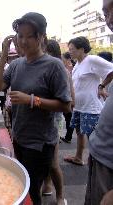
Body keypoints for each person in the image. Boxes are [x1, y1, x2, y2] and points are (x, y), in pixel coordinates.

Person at [0, 12, 71, 205]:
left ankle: (57, 196)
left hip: (40, 142)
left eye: (29, 36)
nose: (23, 41)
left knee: (32, 191)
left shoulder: (54, 66)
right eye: (20, 36)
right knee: (23, 184)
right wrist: (3, 56)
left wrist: (31, 100)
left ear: (41, 37)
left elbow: (66, 105)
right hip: (19, 136)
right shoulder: (16, 64)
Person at [64, 36, 113, 166]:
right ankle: (78, 158)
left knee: (93, 137)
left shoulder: (91, 60)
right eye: (69, 49)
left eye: (72, 49)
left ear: (81, 49)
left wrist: (101, 86)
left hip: (91, 108)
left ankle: (97, 163)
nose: (70, 52)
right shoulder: (77, 65)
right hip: (79, 107)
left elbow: (111, 70)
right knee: (79, 133)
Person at [84, 1, 113, 204]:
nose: (110, 19)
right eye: (105, 12)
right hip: (100, 156)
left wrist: (102, 86)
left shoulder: (93, 60)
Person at [42, 39, 68, 205]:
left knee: (52, 162)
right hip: (41, 121)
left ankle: (60, 196)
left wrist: (35, 100)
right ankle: (47, 185)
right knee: (45, 159)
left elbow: (69, 103)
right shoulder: (41, 66)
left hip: (54, 121)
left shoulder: (58, 68)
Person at [60, 52, 76, 143]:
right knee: (66, 118)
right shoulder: (66, 69)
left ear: (68, 60)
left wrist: (73, 100)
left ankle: (68, 137)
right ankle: (67, 136)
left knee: (68, 118)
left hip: (67, 97)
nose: (62, 61)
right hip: (67, 96)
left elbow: (71, 86)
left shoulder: (70, 69)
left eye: (63, 59)